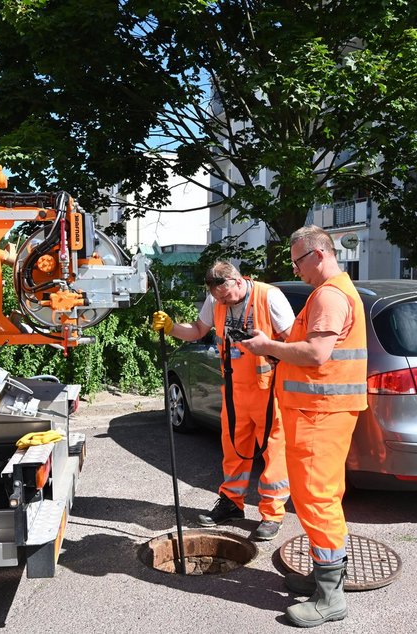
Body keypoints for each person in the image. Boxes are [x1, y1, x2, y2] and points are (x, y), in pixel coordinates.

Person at [239, 226, 367, 628]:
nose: (295, 269)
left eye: (296, 261)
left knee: (318, 500)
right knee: (318, 498)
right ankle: (323, 576)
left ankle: (330, 598)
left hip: (319, 414)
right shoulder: (332, 291)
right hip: (317, 411)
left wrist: (267, 348)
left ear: (317, 254)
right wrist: (275, 349)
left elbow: (316, 353)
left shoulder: (329, 295)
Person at [151, 260, 295, 541]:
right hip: (234, 388)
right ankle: (231, 503)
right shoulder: (215, 300)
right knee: (233, 450)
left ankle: (272, 514)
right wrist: (170, 327)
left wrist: (269, 346)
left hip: (269, 390)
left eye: (226, 297)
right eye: (218, 298)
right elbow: (197, 331)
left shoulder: (269, 297)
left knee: (273, 452)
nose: (223, 303)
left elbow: (294, 342)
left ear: (239, 281)